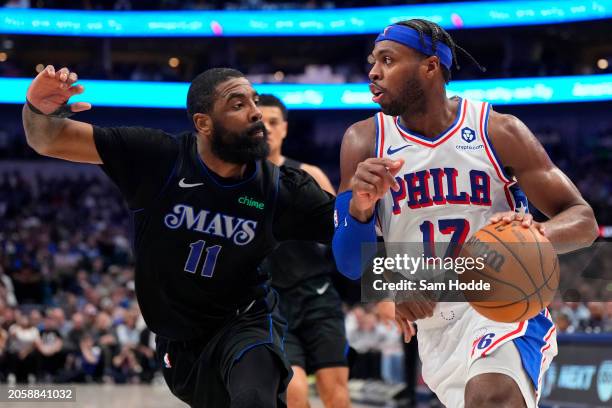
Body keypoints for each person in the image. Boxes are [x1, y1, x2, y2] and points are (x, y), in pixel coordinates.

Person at [22, 65, 335, 408]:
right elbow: (47, 138)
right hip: (179, 340)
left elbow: (362, 231)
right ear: (203, 123)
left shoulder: (283, 186)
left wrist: (396, 290)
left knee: (265, 398)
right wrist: (38, 109)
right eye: (237, 104)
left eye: (254, 101)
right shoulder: (159, 159)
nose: (256, 112)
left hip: (248, 320)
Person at [332, 19, 598, 407]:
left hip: (503, 303)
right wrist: (360, 210)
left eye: (388, 60)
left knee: (492, 396)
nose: (373, 72)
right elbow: (348, 264)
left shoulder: (497, 130)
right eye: (373, 61)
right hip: (433, 322)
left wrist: (530, 237)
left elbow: (583, 220)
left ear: (430, 66)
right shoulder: (363, 141)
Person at [258, 94, 350, 408]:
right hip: (270, 301)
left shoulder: (309, 174)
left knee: (336, 395)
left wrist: (378, 293)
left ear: (284, 128)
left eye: (273, 122)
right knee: (294, 393)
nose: (266, 128)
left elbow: (346, 234)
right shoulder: (237, 179)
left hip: (317, 293)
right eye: (260, 121)